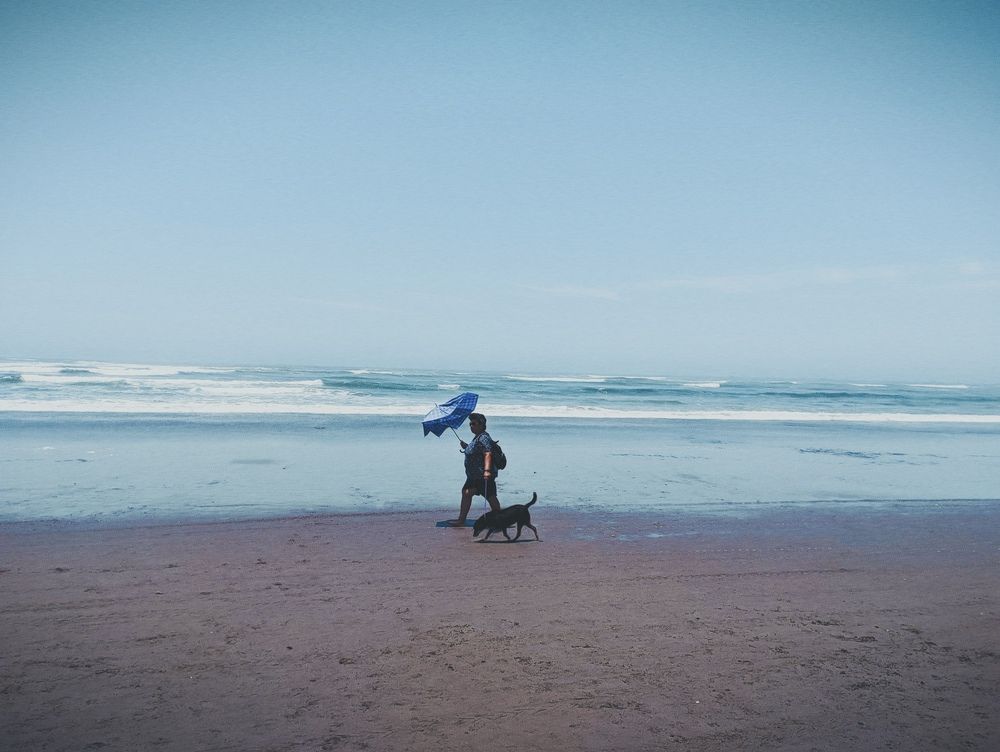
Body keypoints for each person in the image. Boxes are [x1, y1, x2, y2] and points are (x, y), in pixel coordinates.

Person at [448, 412, 501, 526]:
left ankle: (500, 519)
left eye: (474, 423)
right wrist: (466, 446)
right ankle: (461, 520)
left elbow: (488, 453)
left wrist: (487, 471)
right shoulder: (477, 438)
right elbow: (476, 452)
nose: (471, 426)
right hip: (473, 476)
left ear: (481, 424)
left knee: (491, 497)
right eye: (470, 424)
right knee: (467, 493)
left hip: (482, 475)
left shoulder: (484, 438)